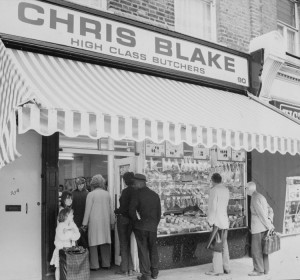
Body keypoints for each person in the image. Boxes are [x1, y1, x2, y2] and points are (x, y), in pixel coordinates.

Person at [129, 173, 161, 280]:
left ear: (139, 183)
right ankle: (155, 273)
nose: (133, 185)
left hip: (141, 227)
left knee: (143, 250)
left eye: (134, 183)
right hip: (152, 227)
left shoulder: (136, 195)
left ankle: (146, 275)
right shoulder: (155, 195)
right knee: (153, 249)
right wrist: (154, 225)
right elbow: (158, 214)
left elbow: (131, 211)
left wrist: (135, 222)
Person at [82, 174, 113, 271]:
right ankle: (106, 263)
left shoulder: (90, 194)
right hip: (105, 221)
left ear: (93, 184)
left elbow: (87, 210)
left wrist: (84, 224)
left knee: (93, 243)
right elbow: (111, 209)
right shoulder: (107, 194)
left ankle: (94, 265)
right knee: (105, 241)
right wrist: (112, 222)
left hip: (94, 221)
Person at [246, 181, 274, 276]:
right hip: (264, 228)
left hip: (258, 228)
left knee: (256, 250)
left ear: (250, 189)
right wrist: (269, 221)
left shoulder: (254, 198)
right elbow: (270, 209)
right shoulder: (261, 196)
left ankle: (258, 270)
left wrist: (269, 225)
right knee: (264, 249)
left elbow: (261, 214)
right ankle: (266, 269)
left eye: (246, 188)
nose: (245, 190)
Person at [205, 173, 230, 276]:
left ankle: (217, 270)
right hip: (224, 220)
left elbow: (213, 207)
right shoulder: (226, 189)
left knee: (217, 246)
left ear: (213, 180)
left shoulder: (214, 190)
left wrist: (209, 221)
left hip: (217, 222)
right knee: (224, 245)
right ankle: (227, 267)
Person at [50, 208, 80, 280]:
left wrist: (69, 232)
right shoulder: (60, 226)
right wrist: (71, 232)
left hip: (70, 250)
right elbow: (63, 237)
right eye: (71, 214)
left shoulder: (73, 224)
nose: (73, 215)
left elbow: (77, 235)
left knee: (68, 268)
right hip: (61, 250)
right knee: (58, 267)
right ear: (66, 216)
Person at [114, 172, 135, 276]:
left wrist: (116, 211)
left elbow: (123, 208)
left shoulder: (125, 191)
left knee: (123, 244)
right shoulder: (136, 191)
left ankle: (125, 270)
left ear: (125, 181)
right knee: (127, 244)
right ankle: (130, 269)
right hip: (132, 220)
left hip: (123, 219)